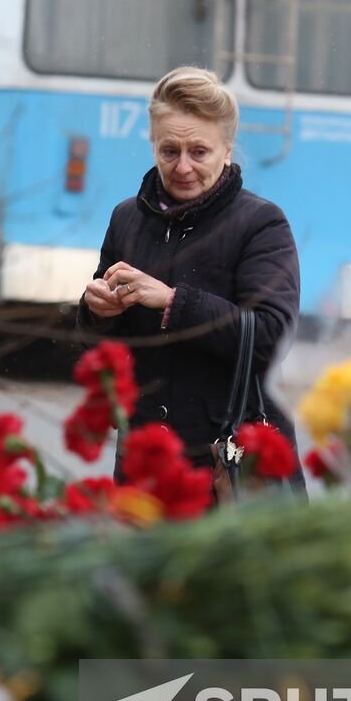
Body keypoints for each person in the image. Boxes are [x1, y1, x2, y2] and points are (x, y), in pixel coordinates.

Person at [76, 66, 305, 494]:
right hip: (144, 465)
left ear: (227, 150)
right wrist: (96, 313)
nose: (182, 167)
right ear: (153, 147)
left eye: (198, 152)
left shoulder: (261, 224)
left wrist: (172, 302)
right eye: (169, 151)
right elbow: (104, 351)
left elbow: (271, 338)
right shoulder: (127, 218)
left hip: (227, 466)